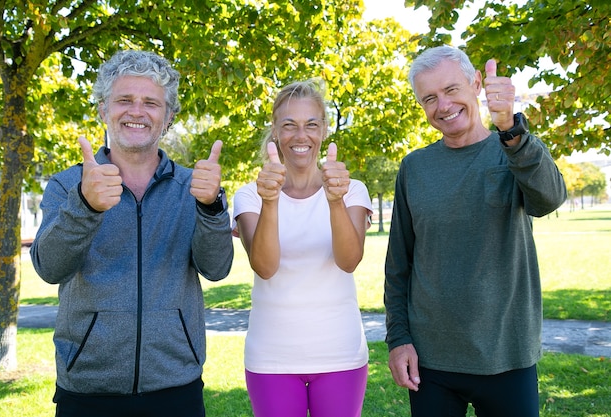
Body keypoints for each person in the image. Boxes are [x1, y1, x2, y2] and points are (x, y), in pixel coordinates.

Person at [30, 50, 234, 417]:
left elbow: (217, 268)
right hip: (87, 391)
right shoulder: (67, 185)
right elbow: (49, 268)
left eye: (151, 103)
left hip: (176, 387)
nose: (137, 111)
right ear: (102, 110)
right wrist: (86, 206)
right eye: (124, 100)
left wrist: (211, 206)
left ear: (168, 117)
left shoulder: (195, 185)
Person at [384, 45, 567, 417]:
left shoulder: (514, 148)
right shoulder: (414, 168)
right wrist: (399, 339)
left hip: (507, 354)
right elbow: (398, 265)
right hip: (431, 361)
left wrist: (511, 130)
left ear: (477, 84)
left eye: (452, 90)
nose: (444, 105)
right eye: (429, 98)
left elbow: (549, 198)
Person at [232, 80, 372, 417]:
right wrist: (270, 201)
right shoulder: (250, 195)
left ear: (323, 130)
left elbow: (349, 260)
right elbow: (265, 266)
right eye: (289, 125)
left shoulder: (350, 189)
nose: (301, 135)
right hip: (271, 358)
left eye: (311, 124)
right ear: (275, 132)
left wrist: (334, 200)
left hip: (341, 353)